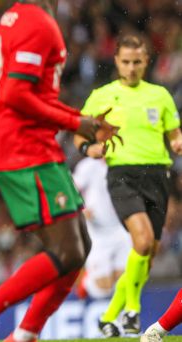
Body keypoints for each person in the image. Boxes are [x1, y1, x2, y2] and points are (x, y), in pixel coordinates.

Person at [0, 1, 118, 342]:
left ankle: (24, 335)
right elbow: (15, 94)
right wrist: (74, 122)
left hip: (32, 143)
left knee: (79, 247)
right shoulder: (37, 22)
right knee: (68, 250)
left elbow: (32, 92)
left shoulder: (17, 17)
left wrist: (78, 120)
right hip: (21, 146)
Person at [75, 34, 182, 337]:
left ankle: (110, 316)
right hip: (122, 174)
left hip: (158, 176)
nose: (132, 68)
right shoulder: (101, 96)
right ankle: (131, 312)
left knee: (145, 257)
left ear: (147, 61)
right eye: (126, 62)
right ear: (117, 62)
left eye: (137, 62)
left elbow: (174, 133)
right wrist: (88, 150)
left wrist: (177, 142)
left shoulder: (160, 95)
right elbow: (79, 135)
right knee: (143, 240)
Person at [72, 157, 131, 300]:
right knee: (102, 289)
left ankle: (119, 319)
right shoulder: (88, 165)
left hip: (121, 228)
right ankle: (85, 282)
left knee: (125, 281)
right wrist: (81, 210)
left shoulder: (125, 161)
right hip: (97, 232)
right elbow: (71, 190)